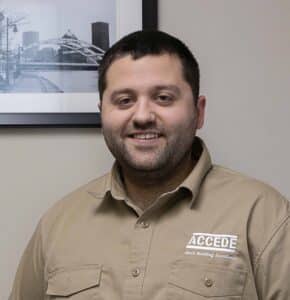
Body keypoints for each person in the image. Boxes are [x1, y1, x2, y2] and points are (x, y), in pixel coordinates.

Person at [10, 30, 290, 300]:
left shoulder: (264, 216)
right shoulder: (58, 225)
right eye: (124, 100)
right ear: (102, 114)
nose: (142, 115)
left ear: (198, 111)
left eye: (163, 98)